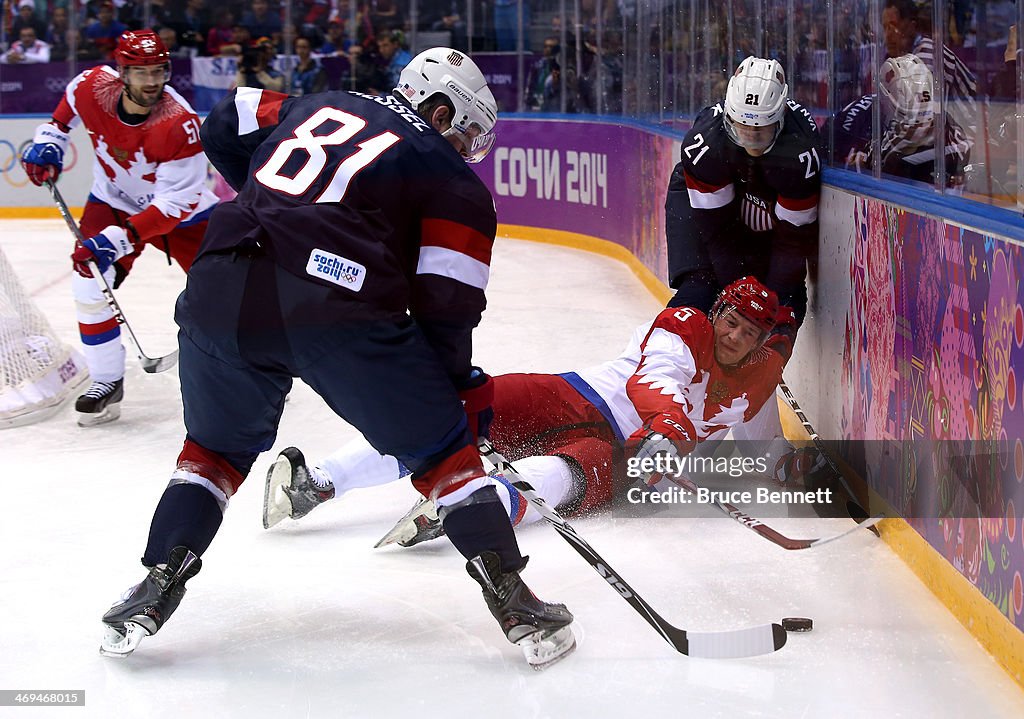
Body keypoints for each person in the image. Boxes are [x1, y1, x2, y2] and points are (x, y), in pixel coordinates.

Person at [95, 47, 575, 671]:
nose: (464, 147)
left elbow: (224, 119)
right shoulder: (452, 179)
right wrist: (450, 389)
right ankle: (516, 603)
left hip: (220, 286)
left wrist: (276, 207)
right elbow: (448, 306)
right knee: (444, 455)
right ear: (437, 108)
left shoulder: (317, 103)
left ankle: (153, 588)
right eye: (463, 130)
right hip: (337, 305)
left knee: (210, 454)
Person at [263, 277, 820, 545]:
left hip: (624, 458)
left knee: (575, 468)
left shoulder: (758, 378)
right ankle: (317, 482)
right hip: (574, 394)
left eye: (748, 333)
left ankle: (475, 508)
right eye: (731, 322)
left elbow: (760, 440)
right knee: (457, 412)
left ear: (759, 342)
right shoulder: (685, 324)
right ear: (717, 313)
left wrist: (791, 472)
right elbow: (657, 382)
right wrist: (671, 432)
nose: (734, 336)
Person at [19, 30, 218, 426]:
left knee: (226, 294)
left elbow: (173, 205)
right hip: (112, 202)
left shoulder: (179, 124)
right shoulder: (91, 87)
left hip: (185, 218)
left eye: (159, 71)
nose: (152, 82)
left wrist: (118, 239)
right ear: (122, 72)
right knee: (89, 283)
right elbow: (59, 123)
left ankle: (252, 367)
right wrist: (48, 144)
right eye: (141, 72)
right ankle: (108, 381)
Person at [664, 56, 822, 327]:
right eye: (741, 129)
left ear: (780, 119)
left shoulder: (801, 154)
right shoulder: (704, 145)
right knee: (700, 288)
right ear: (728, 115)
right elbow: (716, 233)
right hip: (714, 207)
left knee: (784, 303)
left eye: (759, 131)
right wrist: (736, 294)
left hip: (768, 205)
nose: (750, 139)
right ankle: (669, 351)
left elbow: (792, 242)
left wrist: (768, 307)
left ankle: (765, 367)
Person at [830, 54, 971, 189]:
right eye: (906, 120)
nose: (918, 130)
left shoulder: (952, 135)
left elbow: (960, 180)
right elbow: (827, 155)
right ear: (883, 100)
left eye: (926, 121)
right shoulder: (855, 117)